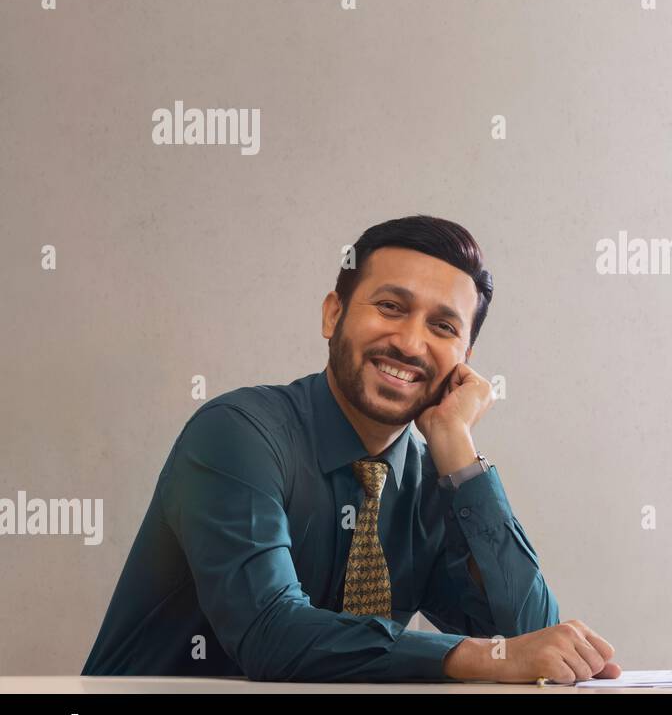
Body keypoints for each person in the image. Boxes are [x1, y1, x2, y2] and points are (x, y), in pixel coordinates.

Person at [82, 214, 620, 683]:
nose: (410, 343)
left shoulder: (432, 480)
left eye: (442, 326)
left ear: (464, 359)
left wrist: (458, 447)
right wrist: (478, 657)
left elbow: (529, 641)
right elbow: (269, 632)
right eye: (390, 306)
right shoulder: (237, 433)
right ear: (332, 315)